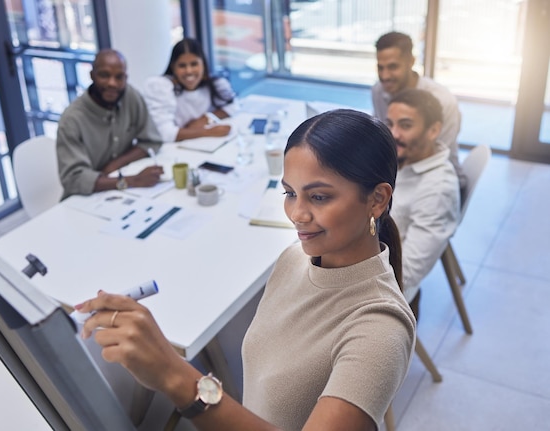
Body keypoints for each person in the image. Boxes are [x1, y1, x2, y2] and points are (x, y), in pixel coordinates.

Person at [74, 109, 416, 431]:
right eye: (289, 193)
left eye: (319, 197)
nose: (297, 214)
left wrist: (175, 376)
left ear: (377, 199)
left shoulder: (380, 328)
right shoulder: (293, 258)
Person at [385, 88, 461, 314]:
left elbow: (406, 274)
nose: (394, 133)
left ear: (434, 130)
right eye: (390, 124)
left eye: (406, 126)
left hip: (384, 290)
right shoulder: (404, 157)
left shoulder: (438, 190)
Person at [57, 49, 164, 199]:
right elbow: (74, 180)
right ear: (92, 75)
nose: (112, 83)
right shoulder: (72, 120)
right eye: (104, 75)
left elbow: (151, 141)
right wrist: (133, 181)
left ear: (126, 78)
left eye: (119, 77)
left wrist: (114, 165)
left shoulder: (130, 96)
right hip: (84, 199)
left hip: (122, 192)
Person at [372, 31, 467, 192]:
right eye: (380, 68)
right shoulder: (379, 91)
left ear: (411, 61)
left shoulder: (442, 101)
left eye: (393, 67)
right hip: (399, 172)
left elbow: (438, 155)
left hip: (433, 180)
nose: (385, 76)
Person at [142, 37, 237, 142]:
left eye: (194, 64)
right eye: (182, 66)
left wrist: (206, 118)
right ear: (173, 67)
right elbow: (164, 133)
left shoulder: (215, 84)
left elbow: (233, 106)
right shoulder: (161, 88)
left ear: (203, 64)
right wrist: (208, 132)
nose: (189, 71)